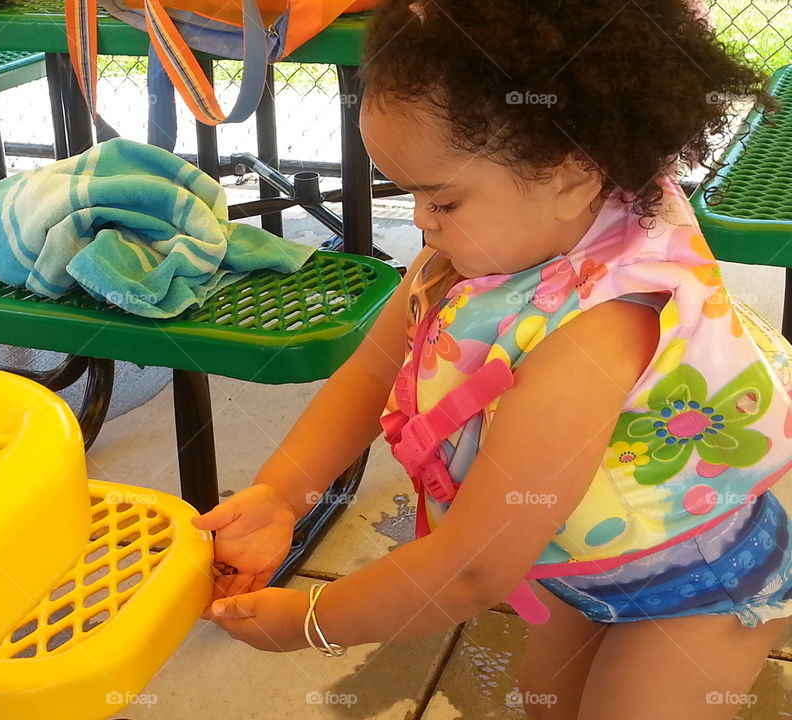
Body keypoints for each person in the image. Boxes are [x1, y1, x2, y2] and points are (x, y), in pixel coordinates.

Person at [193, 1, 792, 717]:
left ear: (573, 174)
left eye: (441, 199)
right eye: (406, 191)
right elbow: (370, 370)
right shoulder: (489, 245)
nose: (419, 221)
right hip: (582, 562)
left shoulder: (597, 331)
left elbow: (475, 570)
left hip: (700, 588)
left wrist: (315, 622)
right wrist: (281, 494)